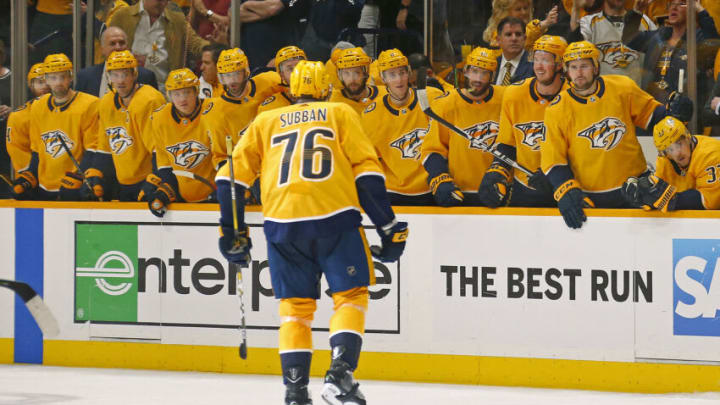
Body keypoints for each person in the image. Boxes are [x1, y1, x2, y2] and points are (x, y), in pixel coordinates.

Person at [216, 60, 408, 405]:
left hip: (282, 224)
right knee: (350, 296)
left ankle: (295, 391)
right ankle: (340, 373)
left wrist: (232, 231)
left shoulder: (265, 120)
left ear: (292, 90)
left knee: (295, 309)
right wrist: (388, 226)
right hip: (334, 219)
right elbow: (366, 174)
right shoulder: (339, 113)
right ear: (325, 88)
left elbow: (229, 178)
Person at [541, 41, 693, 229]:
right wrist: (564, 190)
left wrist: (676, 116)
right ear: (566, 70)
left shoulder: (622, 87)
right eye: (573, 67)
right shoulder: (556, 109)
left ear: (596, 67)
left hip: (635, 189)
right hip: (591, 197)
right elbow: (553, 160)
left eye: (584, 66)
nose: (579, 72)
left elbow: (655, 117)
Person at [479, 35, 568, 208]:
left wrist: (555, 172)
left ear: (559, 65)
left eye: (545, 60)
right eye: (536, 59)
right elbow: (507, 144)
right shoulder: (514, 94)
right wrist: (497, 171)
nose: (539, 67)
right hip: (526, 188)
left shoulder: (572, 96)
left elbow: (581, 150)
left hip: (566, 187)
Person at [422, 47, 506, 207]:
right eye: (474, 71)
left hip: (498, 191)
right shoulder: (445, 104)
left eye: (485, 73)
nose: (478, 78)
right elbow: (432, 150)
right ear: (466, 71)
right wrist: (439, 178)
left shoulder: (506, 98)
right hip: (458, 192)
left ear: (493, 76)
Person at [360, 48, 444, 205]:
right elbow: (369, 161)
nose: (399, 80)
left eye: (402, 73)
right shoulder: (371, 114)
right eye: (392, 75)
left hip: (431, 187)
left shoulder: (432, 97)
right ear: (383, 78)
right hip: (393, 192)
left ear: (409, 73)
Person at [13, 54, 100, 201]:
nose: (58, 82)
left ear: (71, 77)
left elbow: (93, 149)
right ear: (46, 79)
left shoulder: (90, 104)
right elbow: (37, 149)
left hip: (75, 186)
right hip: (44, 186)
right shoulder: (38, 106)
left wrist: (80, 176)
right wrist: (30, 174)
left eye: (63, 77)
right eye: (53, 78)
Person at [90, 50, 166, 202]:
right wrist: (95, 175)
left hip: (149, 181)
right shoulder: (106, 103)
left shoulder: (150, 100)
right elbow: (105, 148)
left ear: (134, 74)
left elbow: (159, 150)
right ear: (108, 77)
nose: (120, 81)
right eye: (115, 75)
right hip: (122, 184)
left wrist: (156, 180)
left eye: (125, 74)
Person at [146, 68, 216, 217]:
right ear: (169, 96)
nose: (182, 99)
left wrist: (224, 189)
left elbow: (223, 157)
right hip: (181, 201)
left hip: (214, 198)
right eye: (176, 94)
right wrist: (166, 191)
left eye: (187, 92)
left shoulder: (213, 111)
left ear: (196, 91)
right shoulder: (159, 118)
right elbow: (165, 166)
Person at [622, 0, 719, 104]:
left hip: (684, 113)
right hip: (652, 109)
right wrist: (637, 12)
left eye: (681, 3)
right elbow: (629, 39)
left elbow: (713, 47)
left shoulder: (697, 38)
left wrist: (700, 10)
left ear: (692, 9)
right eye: (672, 4)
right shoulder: (658, 36)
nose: (674, 7)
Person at [204, 47, 281, 171]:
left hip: (275, 158)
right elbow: (220, 156)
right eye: (226, 76)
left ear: (246, 71)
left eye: (236, 74)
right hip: (246, 168)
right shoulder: (216, 112)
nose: (231, 82)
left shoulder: (272, 81)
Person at [109, 0, 212, 92]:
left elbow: (196, 44)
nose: (163, 4)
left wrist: (217, 50)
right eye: (159, 0)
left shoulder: (177, 20)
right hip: (128, 89)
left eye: (166, 0)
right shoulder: (122, 17)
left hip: (165, 91)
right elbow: (107, 48)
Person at [623, 116, 720, 210]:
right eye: (670, 149)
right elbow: (657, 195)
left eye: (679, 143)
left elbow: (712, 201)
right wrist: (642, 198)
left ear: (687, 137)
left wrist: (673, 200)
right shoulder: (666, 159)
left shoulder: (710, 154)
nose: (677, 153)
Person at [571, 0, 656, 85]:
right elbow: (577, 47)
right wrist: (576, 9)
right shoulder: (589, 22)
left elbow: (659, 52)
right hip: (603, 94)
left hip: (636, 93)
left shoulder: (643, 20)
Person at [75, 26, 158, 97]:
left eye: (122, 43)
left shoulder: (146, 76)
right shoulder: (84, 77)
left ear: (128, 47)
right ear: (102, 49)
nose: (118, 47)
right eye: (112, 43)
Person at [6, 64, 51, 189]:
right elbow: (18, 151)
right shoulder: (18, 116)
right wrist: (31, 175)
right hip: (31, 182)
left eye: (49, 80)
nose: (46, 86)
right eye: (40, 82)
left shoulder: (68, 112)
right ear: (30, 85)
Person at [329, 47, 387, 115]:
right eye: (346, 73)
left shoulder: (385, 95)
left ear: (366, 73)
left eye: (357, 72)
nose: (352, 79)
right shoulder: (332, 100)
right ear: (340, 75)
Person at [257, 46, 307, 114]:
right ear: (282, 75)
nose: (297, 72)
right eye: (290, 69)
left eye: (300, 66)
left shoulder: (323, 98)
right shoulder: (269, 108)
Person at [494, 17, 535, 85]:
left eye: (518, 34)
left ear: (524, 39)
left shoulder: (534, 65)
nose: (514, 38)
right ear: (498, 40)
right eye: (508, 34)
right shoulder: (492, 64)